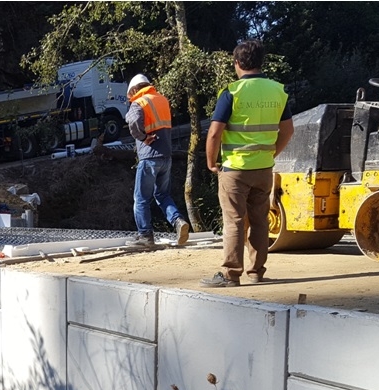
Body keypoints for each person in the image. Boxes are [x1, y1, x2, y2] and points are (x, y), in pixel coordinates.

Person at [201, 39, 293, 287]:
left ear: (237, 63)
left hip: (235, 168)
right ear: (261, 62)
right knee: (260, 220)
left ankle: (231, 275)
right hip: (263, 168)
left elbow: (214, 133)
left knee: (234, 221)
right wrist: (272, 153)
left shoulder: (232, 92)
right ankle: (256, 272)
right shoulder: (278, 91)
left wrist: (211, 162)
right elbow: (288, 130)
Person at [124, 74, 191, 247]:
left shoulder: (139, 101)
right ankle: (178, 221)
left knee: (141, 198)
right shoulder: (162, 99)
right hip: (166, 157)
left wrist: (143, 136)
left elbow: (132, 122)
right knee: (162, 194)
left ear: (134, 90)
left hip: (149, 157)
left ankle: (145, 236)